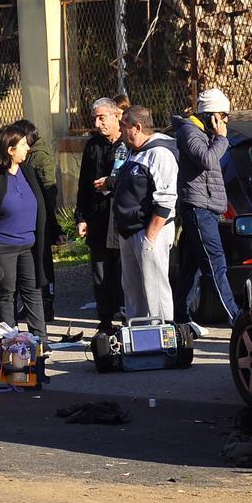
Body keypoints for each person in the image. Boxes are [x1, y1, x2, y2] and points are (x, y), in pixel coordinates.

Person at [0, 123, 50, 340]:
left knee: (33, 291)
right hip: (3, 246)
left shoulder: (28, 171)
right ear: (10, 149)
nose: (28, 149)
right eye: (23, 145)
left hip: (29, 246)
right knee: (7, 293)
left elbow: (42, 204)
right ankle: (12, 341)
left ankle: (40, 340)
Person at [170, 88, 240, 334]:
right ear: (213, 116)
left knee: (192, 264)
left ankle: (180, 316)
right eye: (224, 116)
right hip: (199, 208)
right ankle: (236, 318)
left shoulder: (201, 132)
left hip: (205, 208)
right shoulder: (190, 132)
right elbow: (207, 160)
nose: (226, 122)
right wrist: (221, 138)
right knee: (215, 264)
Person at [112, 106, 179, 323]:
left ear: (137, 127)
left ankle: (163, 336)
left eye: (123, 126)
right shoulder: (134, 151)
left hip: (149, 233)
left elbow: (166, 198)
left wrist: (150, 237)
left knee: (155, 289)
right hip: (129, 231)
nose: (120, 132)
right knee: (132, 290)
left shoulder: (160, 152)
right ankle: (138, 337)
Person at [75, 98, 125, 330]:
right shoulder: (93, 145)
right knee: (101, 272)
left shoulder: (128, 142)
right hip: (98, 218)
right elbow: (84, 183)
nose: (97, 123)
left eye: (102, 118)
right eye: (94, 118)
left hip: (123, 218)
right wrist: (81, 217)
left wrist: (112, 182)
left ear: (117, 116)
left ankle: (126, 317)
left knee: (124, 271)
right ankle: (105, 321)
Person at [10, 118, 60, 323]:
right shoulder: (31, 155)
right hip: (33, 216)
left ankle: (47, 304)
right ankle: (35, 305)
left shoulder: (39, 156)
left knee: (43, 263)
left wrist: (53, 222)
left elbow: (49, 188)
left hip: (43, 216)